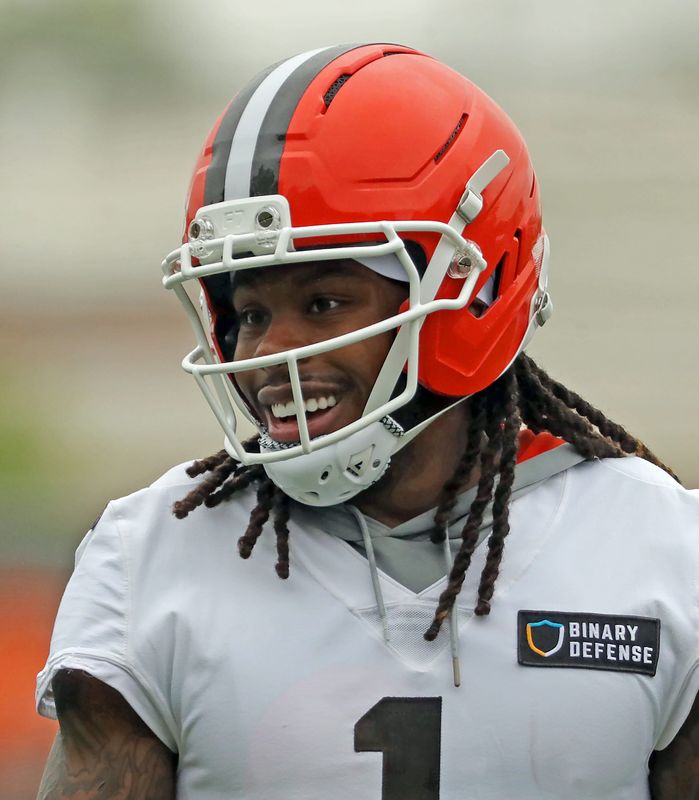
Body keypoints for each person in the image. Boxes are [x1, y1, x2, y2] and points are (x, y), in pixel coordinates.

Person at [36, 43, 697, 799]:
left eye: (323, 303)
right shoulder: (151, 557)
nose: (270, 353)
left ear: (473, 292)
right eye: (250, 313)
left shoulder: (663, 554)